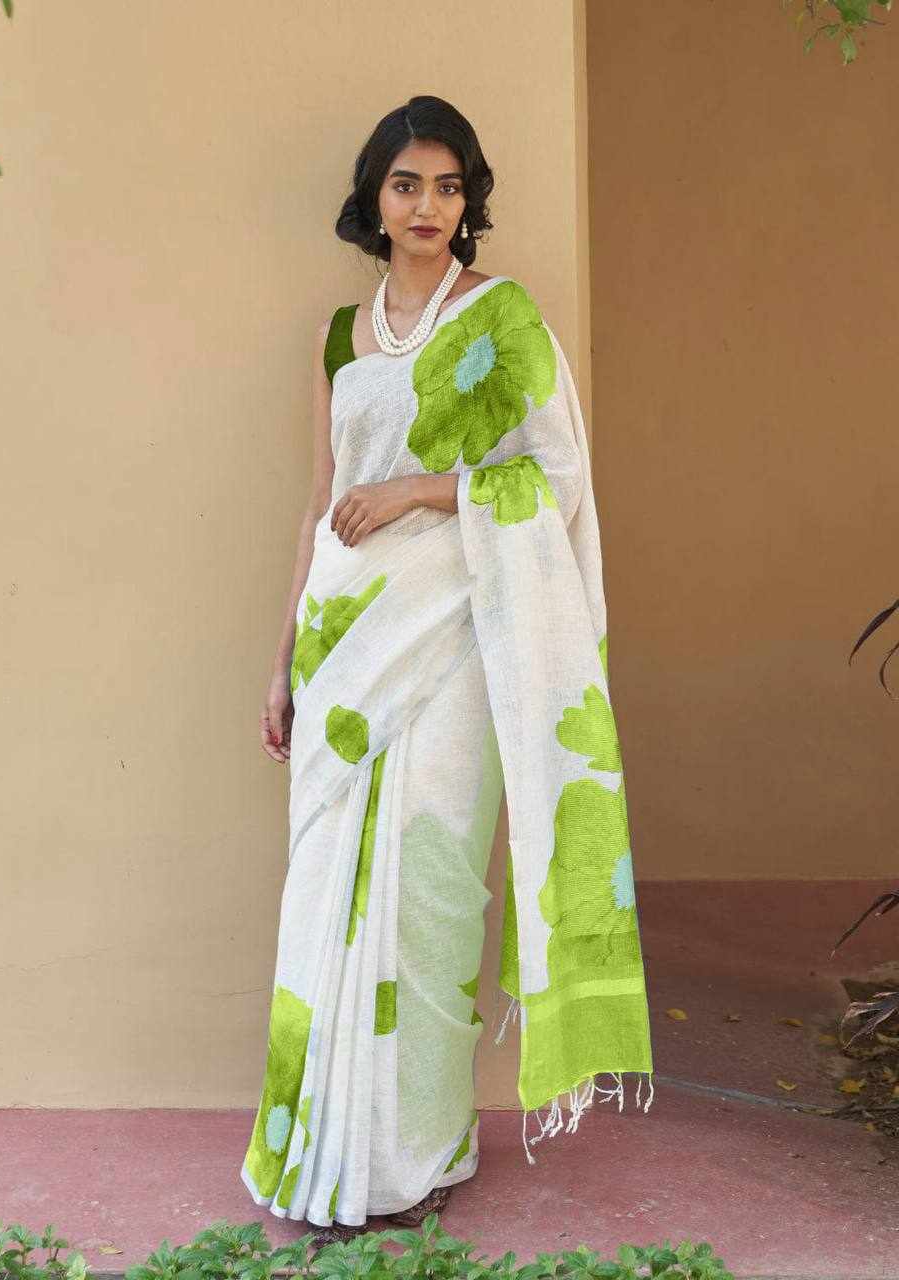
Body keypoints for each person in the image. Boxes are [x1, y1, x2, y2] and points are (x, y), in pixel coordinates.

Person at [240, 95, 655, 1248]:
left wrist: (423, 491)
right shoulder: (339, 336)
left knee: (430, 897)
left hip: (458, 642)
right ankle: (320, 1147)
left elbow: (554, 480)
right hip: (344, 649)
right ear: (373, 198)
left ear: (469, 200)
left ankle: (420, 1151)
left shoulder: (503, 318)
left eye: (449, 185)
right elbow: (320, 503)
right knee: (322, 901)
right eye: (406, 183)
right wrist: (281, 662)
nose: (428, 205)